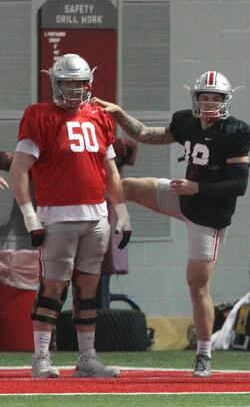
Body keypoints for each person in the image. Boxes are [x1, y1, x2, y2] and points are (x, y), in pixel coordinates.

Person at [92, 70, 250, 377]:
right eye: (204, 97)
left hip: (210, 215)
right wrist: (120, 113)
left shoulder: (236, 131)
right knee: (124, 186)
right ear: (195, 98)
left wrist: (197, 188)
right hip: (183, 196)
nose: (209, 103)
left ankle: (204, 353)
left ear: (226, 100)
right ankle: (108, 220)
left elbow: (238, 185)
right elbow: (147, 135)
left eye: (215, 98)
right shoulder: (186, 121)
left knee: (196, 284)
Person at [10, 53, 131, 379]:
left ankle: (87, 358)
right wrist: (29, 216)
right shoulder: (40, 116)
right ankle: (40, 358)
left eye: (80, 84)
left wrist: (121, 211)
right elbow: (19, 170)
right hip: (57, 217)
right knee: (53, 288)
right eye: (67, 83)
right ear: (55, 83)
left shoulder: (100, 116)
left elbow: (110, 169)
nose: (74, 90)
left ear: (88, 84)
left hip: (96, 217)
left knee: (88, 289)